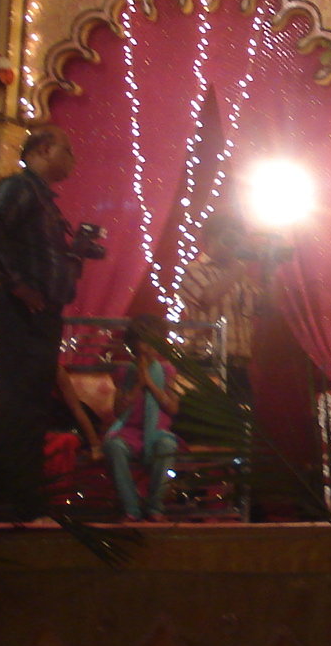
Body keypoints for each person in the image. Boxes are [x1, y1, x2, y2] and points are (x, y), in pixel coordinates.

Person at [0, 124, 85, 519]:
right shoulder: (19, 187)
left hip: (41, 313)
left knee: (32, 406)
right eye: (67, 150)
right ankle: (8, 500)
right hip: (24, 312)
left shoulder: (42, 199)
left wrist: (74, 255)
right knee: (22, 406)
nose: (72, 160)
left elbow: (42, 256)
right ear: (45, 148)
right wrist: (18, 285)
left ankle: (18, 497)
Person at [178, 214, 264, 407]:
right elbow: (207, 298)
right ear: (210, 239)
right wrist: (237, 269)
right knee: (207, 422)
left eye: (236, 240)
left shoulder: (241, 277)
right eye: (228, 239)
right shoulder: (195, 269)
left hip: (238, 366)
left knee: (241, 422)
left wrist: (270, 270)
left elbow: (263, 307)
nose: (233, 246)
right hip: (205, 362)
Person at [102, 317, 183, 522]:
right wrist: (138, 383)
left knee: (167, 446)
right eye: (144, 342)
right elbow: (119, 411)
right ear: (134, 345)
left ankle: (155, 507)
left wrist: (151, 384)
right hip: (129, 432)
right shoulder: (124, 371)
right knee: (113, 446)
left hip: (158, 431)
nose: (148, 348)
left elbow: (173, 408)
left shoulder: (166, 370)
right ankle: (131, 508)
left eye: (153, 343)